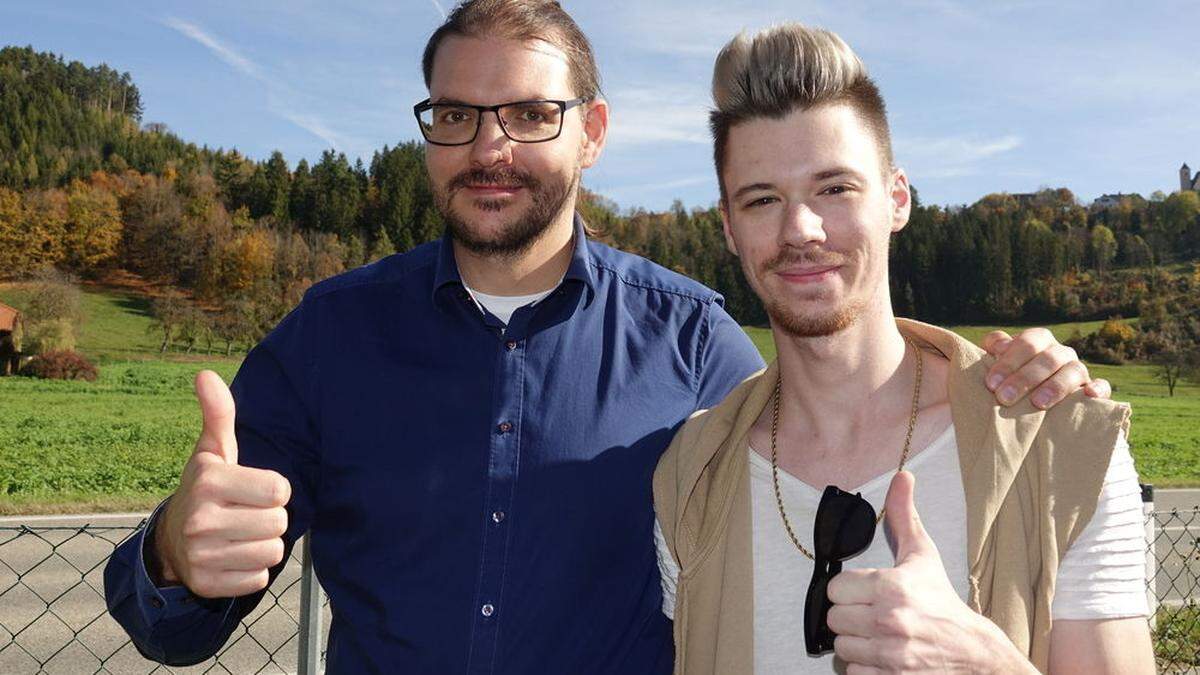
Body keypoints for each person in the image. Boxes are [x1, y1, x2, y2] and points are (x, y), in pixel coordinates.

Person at [104, 2, 1109, 672]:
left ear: (593, 132)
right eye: (457, 114)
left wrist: (1013, 377)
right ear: (427, 135)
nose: (490, 146)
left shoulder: (695, 345)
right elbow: (173, 619)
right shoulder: (328, 338)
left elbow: (836, 425)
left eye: (531, 114)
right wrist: (170, 555)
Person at [652, 23, 1155, 674]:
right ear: (728, 226)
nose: (800, 229)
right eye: (762, 198)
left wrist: (984, 665)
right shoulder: (691, 477)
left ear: (896, 198)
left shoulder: (1057, 443)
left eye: (834, 188)